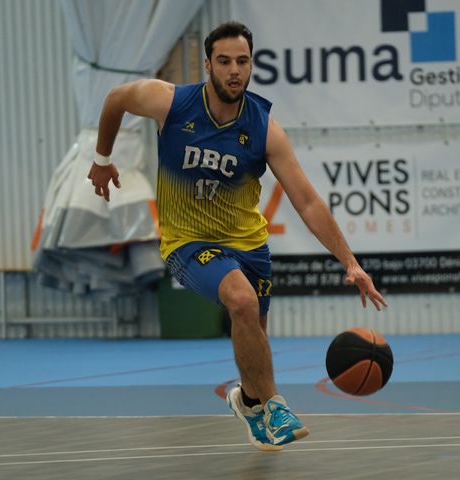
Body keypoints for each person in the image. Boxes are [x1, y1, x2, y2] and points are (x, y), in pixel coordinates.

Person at [88, 21, 387, 451]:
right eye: (225, 61)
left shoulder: (264, 128)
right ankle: (275, 406)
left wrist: (351, 263)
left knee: (252, 333)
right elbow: (116, 98)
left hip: (249, 246)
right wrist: (102, 159)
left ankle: (247, 400)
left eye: (242, 62)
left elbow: (306, 201)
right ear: (208, 64)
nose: (234, 70)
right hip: (188, 242)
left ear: (251, 66)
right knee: (242, 301)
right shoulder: (171, 103)